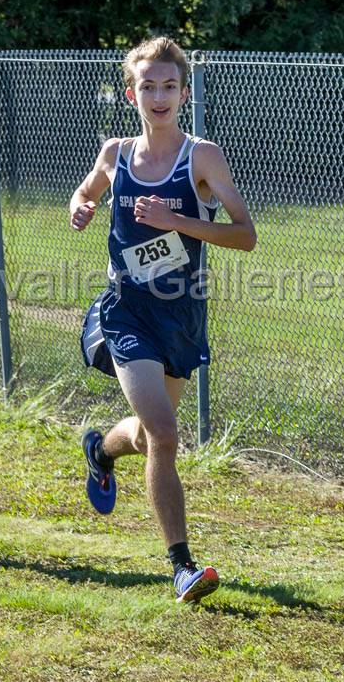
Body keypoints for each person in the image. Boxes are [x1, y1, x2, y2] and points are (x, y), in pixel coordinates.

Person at [70, 37, 256, 604]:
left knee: (151, 433)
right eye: (147, 86)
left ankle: (101, 450)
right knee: (167, 434)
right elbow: (85, 192)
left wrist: (179, 219)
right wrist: (81, 206)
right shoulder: (116, 153)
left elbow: (245, 235)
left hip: (182, 315)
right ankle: (181, 565)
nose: (158, 95)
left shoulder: (203, 157)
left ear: (184, 93)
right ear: (132, 93)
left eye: (168, 86)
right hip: (126, 312)